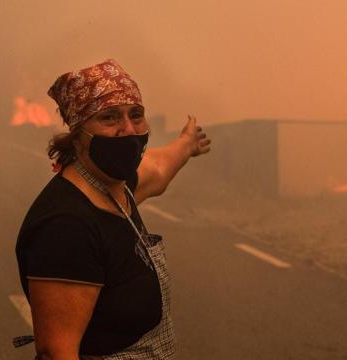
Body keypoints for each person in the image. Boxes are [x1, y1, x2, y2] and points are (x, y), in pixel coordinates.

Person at [14, 59, 211, 360]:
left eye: (136, 115)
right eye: (109, 118)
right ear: (78, 135)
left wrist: (187, 143)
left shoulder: (116, 188)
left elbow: (158, 168)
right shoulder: (66, 226)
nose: (129, 130)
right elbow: (56, 351)